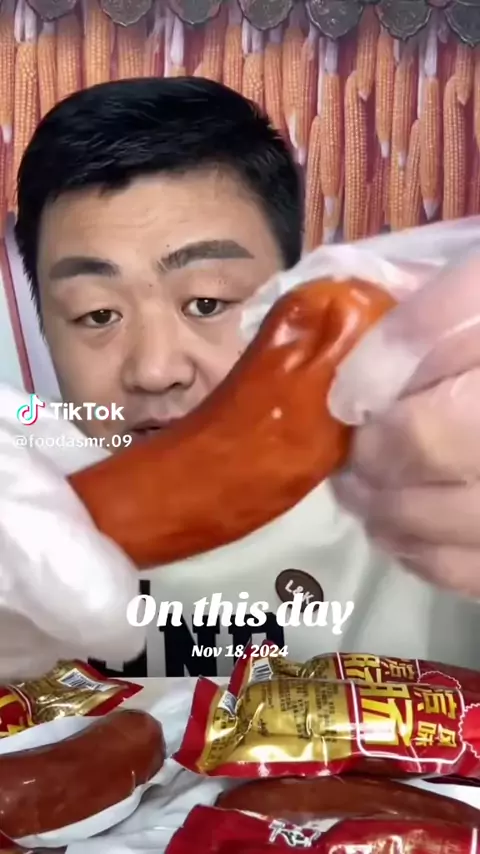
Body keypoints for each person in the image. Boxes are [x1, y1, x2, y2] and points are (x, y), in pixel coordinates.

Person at [10, 76, 480, 678]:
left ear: (289, 295)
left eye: (207, 302)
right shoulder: (17, 500)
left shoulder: (428, 484)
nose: (156, 370)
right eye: (97, 314)